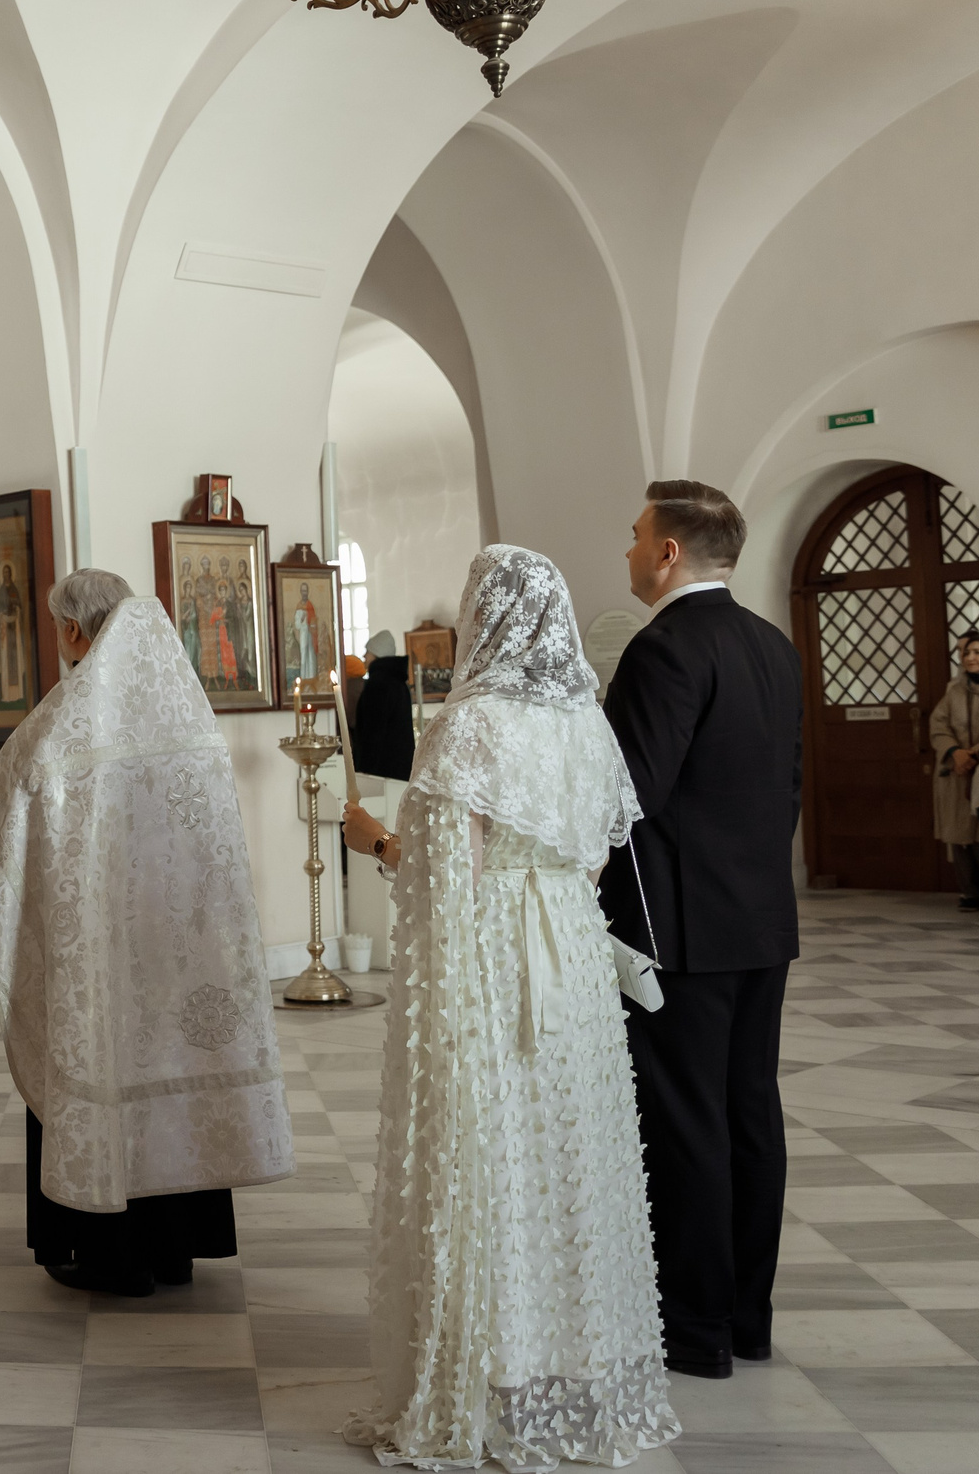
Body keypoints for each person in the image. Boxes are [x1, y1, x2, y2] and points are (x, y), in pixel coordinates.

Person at [340, 546, 677, 1469]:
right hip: (569, 965)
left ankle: (489, 1364)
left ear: (486, 615)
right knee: (569, 1152)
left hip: (491, 967)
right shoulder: (588, 726)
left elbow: (445, 882)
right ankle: (571, 1361)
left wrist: (376, 840)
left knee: (492, 1154)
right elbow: (598, 861)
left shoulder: (467, 729)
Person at [0, 567, 293, 1298]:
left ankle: (110, 1253)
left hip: (100, 954)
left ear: (76, 631)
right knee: (171, 1071)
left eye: (59, 627)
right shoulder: (191, 714)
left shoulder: (66, 715)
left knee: (97, 1067)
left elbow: (7, 808)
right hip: (181, 947)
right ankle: (178, 1247)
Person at [598, 479, 802, 1381]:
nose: (632, 550)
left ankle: (693, 1327)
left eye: (639, 536)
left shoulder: (665, 647)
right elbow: (785, 787)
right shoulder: (771, 644)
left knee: (686, 1123)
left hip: (677, 923)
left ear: (670, 551)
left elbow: (628, 796)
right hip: (760, 917)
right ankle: (747, 1318)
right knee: (749, 1112)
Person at [931, 631, 979, 912]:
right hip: (956, 771)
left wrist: (975, 753)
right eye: (966, 653)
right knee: (959, 834)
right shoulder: (955, 691)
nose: (970, 658)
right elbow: (939, 726)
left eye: (977, 652)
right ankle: (970, 892)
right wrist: (955, 753)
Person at [350, 628, 415, 781]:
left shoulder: (378, 684)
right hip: (400, 768)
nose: (364, 656)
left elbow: (373, 732)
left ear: (377, 654)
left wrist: (365, 771)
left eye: (368, 651)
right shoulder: (399, 683)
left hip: (381, 771)